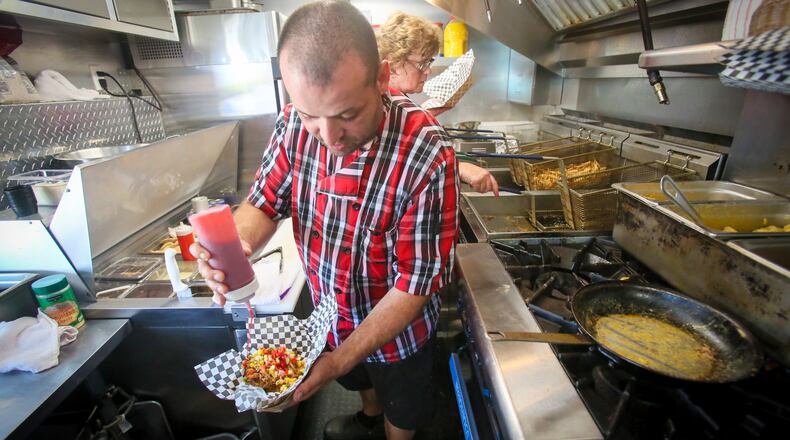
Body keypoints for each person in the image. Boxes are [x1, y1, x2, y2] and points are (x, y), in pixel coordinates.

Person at [192, 2, 458, 440]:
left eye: (347, 115)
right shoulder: (292, 124)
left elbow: (416, 283)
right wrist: (237, 246)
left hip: (399, 332)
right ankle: (368, 417)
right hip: (331, 313)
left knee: (404, 406)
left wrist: (336, 360)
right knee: (359, 384)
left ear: (383, 78)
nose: (329, 138)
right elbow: (262, 202)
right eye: (310, 115)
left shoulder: (427, 155)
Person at [376, 11, 499, 196]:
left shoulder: (393, 101)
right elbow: (391, 166)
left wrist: (425, 114)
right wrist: (460, 168)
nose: (428, 70)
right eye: (421, 64)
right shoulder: (378, 104)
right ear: (393, 65)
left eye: (429, 61)